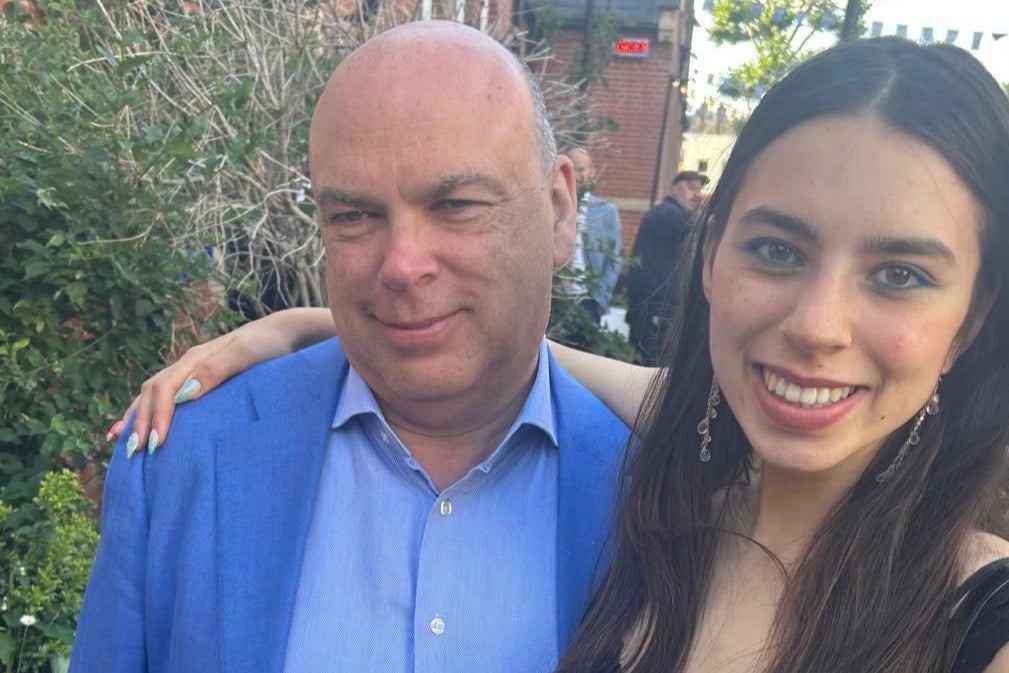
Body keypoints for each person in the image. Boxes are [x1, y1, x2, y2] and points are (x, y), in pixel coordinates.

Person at [120, 37, 1009, 673]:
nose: (819, 326)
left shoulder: (977, 617)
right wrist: (308, 325)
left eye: (899, 272)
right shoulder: (673, 511)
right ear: (711, 258)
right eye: (777, 249)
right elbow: (535, 357)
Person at [71, 22, 629, 673]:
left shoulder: (669, 495)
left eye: (455, 203)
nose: (401, 264)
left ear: (560, 210)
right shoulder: (180, 464)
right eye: (354, 215)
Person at [626, 169, 707, 364]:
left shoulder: (674, 215)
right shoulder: (666, 212)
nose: (696, 195)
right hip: (653, 305)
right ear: (673, 189)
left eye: (699, 190)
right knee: (648, 364)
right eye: (690, 188)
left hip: (661, 306)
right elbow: (686, 226)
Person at [565, 148, 623, 323]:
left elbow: (615, 259)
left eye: (581, 169)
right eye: (572, 169)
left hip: (588, 299)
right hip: (556, 300)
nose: (576, 175)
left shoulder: (606, 211)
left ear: (591, 173)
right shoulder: (551, 208)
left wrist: (599, 298)